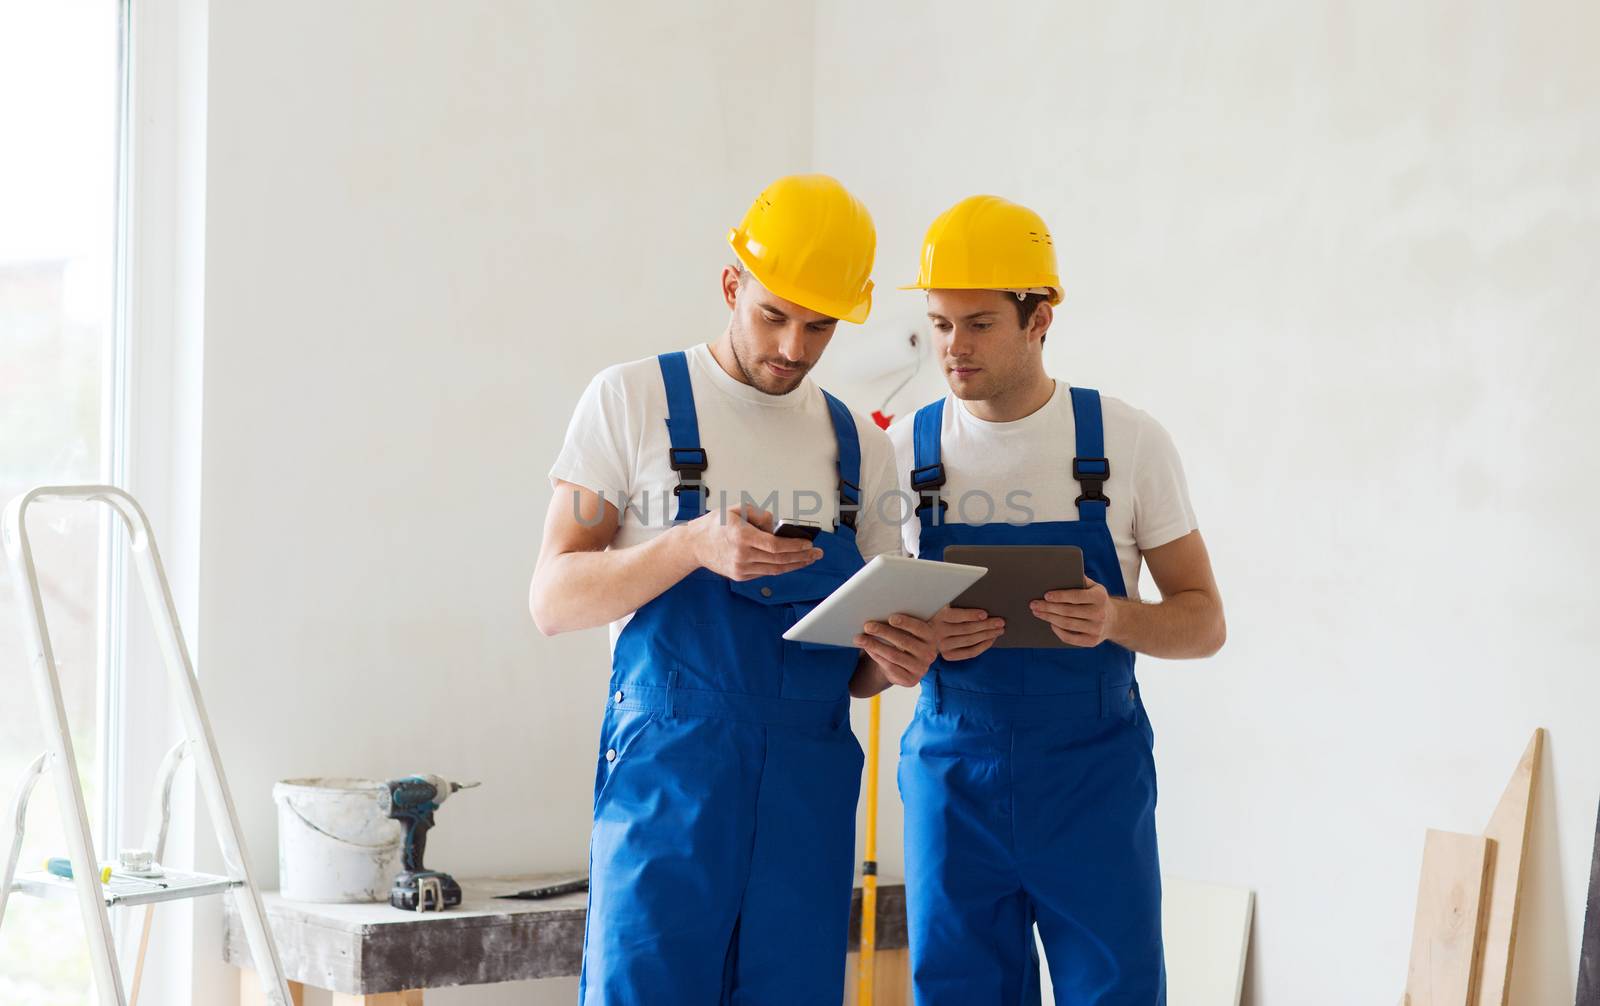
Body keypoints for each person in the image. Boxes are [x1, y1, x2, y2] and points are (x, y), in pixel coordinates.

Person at [531, 174, 939, 1005]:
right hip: (670, 791)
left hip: (806, 800)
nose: (794, 347)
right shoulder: (632, 401)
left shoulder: (862, 449)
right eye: (774, 315)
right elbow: (553, 598)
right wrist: (688, 545)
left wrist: (898, 661)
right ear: (731, 284)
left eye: (820, 326)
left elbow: (853, 666)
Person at [874, 194, 1227, 1004]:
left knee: (1116, 992)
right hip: (951, 775)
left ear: (1040, 320)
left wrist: (1116, 618)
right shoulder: (901, 452)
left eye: (979, 323)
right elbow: (876, 641)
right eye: (938, 324)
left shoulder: (1126, 443)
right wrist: (913, 642)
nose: (952, 349)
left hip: (1092, 781)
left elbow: (1204, 620)